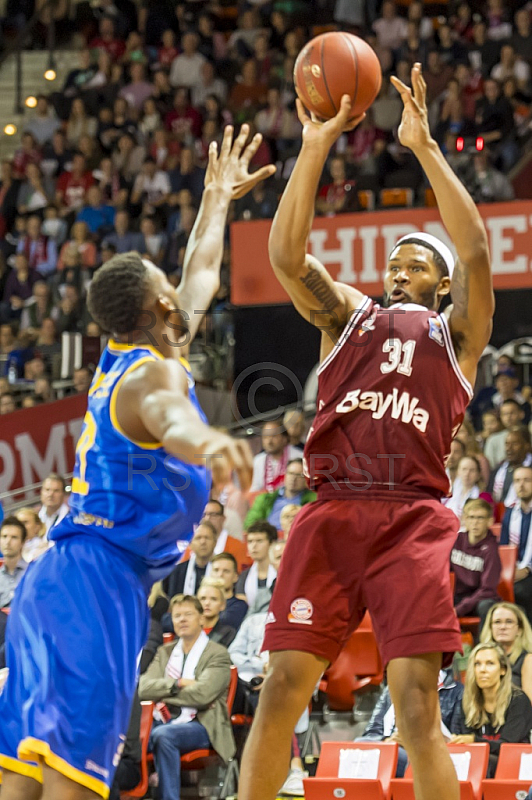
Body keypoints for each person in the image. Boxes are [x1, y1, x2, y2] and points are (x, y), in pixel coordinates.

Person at [239, 63, 494, 800]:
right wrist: (316, 141)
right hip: (335, 508)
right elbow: (286, 259)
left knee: (416, 705)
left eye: (413, 264)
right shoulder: (347, 314)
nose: (397, 271)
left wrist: (424, 148)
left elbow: (476, 247)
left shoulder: (457, 334)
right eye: (392, 262)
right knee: (284, 686)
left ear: (439, 285)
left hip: (412, 517)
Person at [0, 124, 273, 800]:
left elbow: (203, 271)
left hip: (57, 580)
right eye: (166, 283)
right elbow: (175, 423)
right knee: (74, 780)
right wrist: (213, 444)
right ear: (158, 307)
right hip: (95, 585)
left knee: (24, 776)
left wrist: (216, 200)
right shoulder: (154, 380)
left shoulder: (140, 352)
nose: (179, 285)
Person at [139, 594, 234, 800]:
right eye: (177, 615)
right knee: (128, 735)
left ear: (201, 618)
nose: (181, 620)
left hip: (202, 724)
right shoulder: (164, 652)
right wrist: (177, 684)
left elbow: (202, 695)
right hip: (161, 720)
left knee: (164, 735)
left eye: (188, 614)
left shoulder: (217, 654)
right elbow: (144, 688)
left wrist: (162, 694)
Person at [358, 669, 465, 777]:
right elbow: (371, 732)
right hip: (389, 745)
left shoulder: (456, 691)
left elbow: (455, 740)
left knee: (391, 756)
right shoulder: (392, 688)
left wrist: (412, 742)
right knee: (359, 745)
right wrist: (387, 740)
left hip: (423, 754)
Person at [450, 642, 532, 777]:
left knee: (484, 763)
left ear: (503, 670)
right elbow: (466, 745)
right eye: (477, 664)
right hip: (478, 763)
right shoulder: (468, 702)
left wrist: (475, 741)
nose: (483, 669)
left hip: (514, 765)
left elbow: (507, 748)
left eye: (490, 663)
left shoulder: (518, 700)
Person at [450, 498, 501, 626]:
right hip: (457, 597)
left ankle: (483, 645)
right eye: (471, 517)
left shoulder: (491, 550)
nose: (475, 523)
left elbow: (487, 589)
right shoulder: (456, 540)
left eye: (480, 518)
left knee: (487, 606)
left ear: (490, 521)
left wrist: (460, 609)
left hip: (480, 600)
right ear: (464, 519)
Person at [480, 602, 532, 701]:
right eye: (497, 622)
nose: (502, 627)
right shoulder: (481, 657)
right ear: (490, 628)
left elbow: (529, 705)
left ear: (519, 629)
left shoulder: (528, 660)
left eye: (509, 622)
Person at [245, 458, 316, 530]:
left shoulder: (313, 500)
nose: (294, 478)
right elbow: (250, 524)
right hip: (269, 537)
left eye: (299, 475)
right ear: (285, 475)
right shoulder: (264, 498)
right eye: (291, 473)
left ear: (306, 479)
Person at [500, 465, 532, 620]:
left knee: (521, 591)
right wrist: (510, 570)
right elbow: (504, 546)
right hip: (515, 569)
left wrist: (527, 569)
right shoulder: (511, 513)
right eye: (517, 481)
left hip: (528, 571)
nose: (521, 485)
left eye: (527, 480)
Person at [163, 521, 218, 602]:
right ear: (190, 544)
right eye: (198, 538)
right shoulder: (176, 571)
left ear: (215, 542)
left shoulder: (221, 570)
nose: (203, 542)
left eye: (207, 538)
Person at [250, 419, 302, 493]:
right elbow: (255, 489)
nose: (269, 441)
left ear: (284, 438)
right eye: (265, 437)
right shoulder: (258, 460)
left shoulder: (299, 456)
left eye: (273, 436)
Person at [236, 522, 278, 607]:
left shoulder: (281, 573)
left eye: (259, 541)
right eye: (250, 541)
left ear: (271, 543)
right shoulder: (244, 575)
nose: (254, 546)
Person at [489, 426, 532, 508]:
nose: (509, 448)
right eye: (507, 444)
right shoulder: (499, 469)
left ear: (527, 446)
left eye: (515, 444)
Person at [210, 552, 248, 632]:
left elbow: (224, 624)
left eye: (226, 571)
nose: (220, 575)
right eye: (216, 570)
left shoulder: (239, 606)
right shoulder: (199, 602)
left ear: (235, 577)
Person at [197, 577, 236, 647]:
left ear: (223, 605)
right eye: (203, 598)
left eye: (213, 599)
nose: (207, 603)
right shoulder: (188, 630)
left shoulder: (229, 633)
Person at [0, 517, 28, 608]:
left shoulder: (33, 573)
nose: (8, 542)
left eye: (14, 537)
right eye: (4, 536)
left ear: (22, 542)